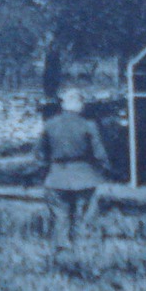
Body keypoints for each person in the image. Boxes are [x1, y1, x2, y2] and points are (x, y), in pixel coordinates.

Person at [38, 89, 111, 247]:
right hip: (84, 176)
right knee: (84, 216)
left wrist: (43, 171)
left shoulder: (49, 125)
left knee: (60, 216)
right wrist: (104, 170)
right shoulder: (88, 125)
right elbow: (99, 154)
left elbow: (39, 154)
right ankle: (83, 248)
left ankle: (62, 249)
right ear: (80, 105)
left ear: (63, 104)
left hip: (56, 176)